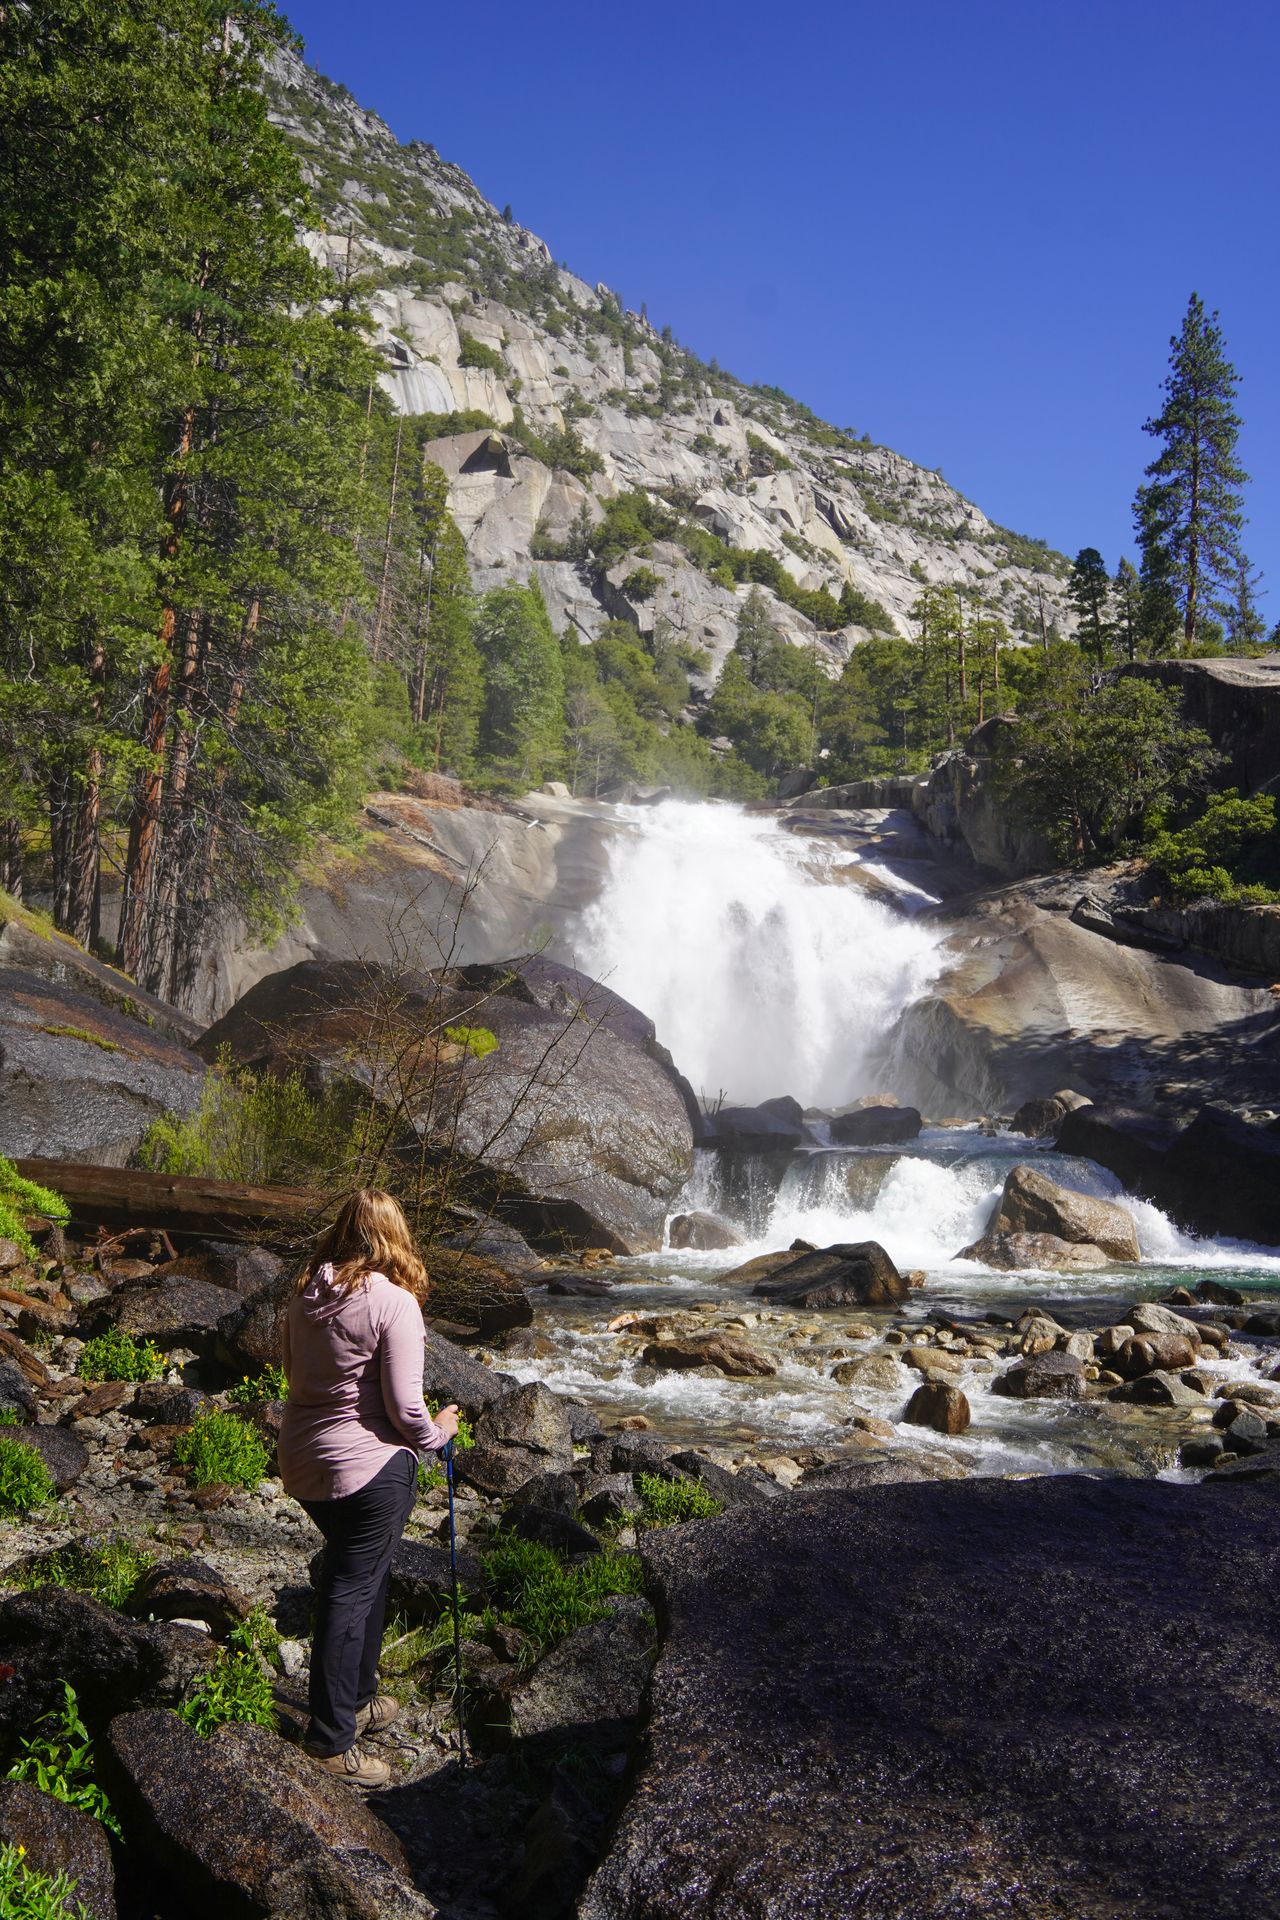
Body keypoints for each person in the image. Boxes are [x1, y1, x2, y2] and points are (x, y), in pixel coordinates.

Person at [279, 1188, 459, 1786]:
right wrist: (439, 1434)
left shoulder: (305, 1293)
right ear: (394, 1235)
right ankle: (331, 1743)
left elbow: (291, 1372)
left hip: (304, 1463)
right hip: (367, 1469)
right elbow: (407, 1411)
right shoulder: (395, 1302)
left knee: (360, 1574)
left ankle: (357, 1699)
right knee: (349, 1590)